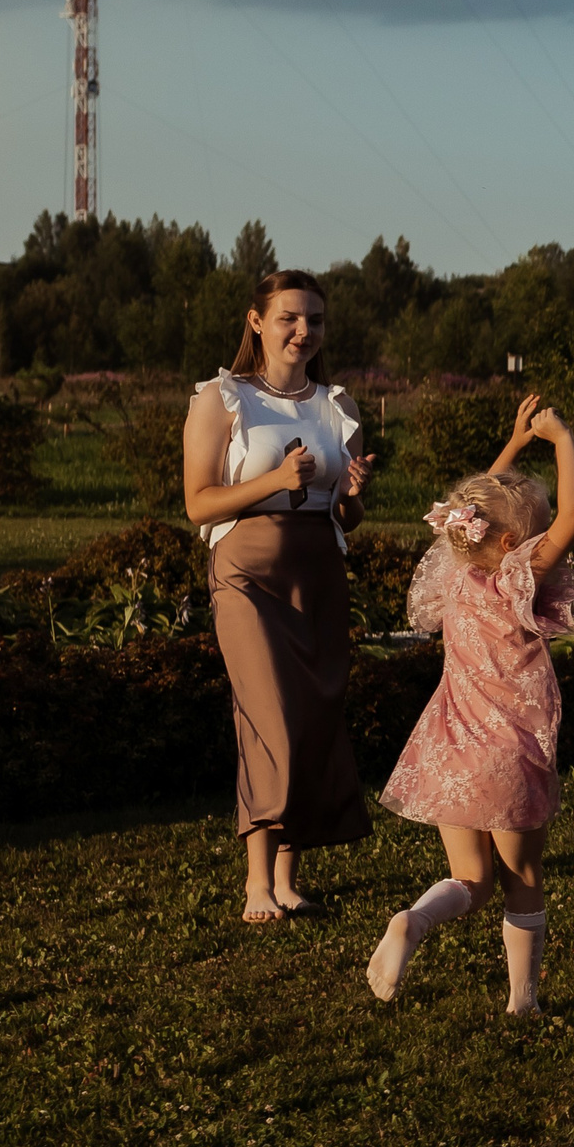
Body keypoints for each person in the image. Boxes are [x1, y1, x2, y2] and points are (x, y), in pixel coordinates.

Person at [366, 394, 574, 1016]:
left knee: (471, 880)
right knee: (521, 879)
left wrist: (514, 445)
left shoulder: (454, 572)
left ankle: (413, 920)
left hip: (448, 746)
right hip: (509, 754)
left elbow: (475, 512)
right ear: (517, 541)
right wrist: (563, 437)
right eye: (538, 533)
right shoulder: (518, 576)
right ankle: (524, 1002)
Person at [182, 269, 375, 924]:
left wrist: (351, 497)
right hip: (246, 574)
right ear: (257, 321)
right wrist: (272, 479)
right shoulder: (222, 397)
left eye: (315, 320)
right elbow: (197, 502)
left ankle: (288, 880)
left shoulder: (337, 404)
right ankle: (254, 885)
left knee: (313, 715)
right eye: (290, 317)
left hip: (318, 571)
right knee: (269, 718)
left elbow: (345, 519)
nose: (304, 331)